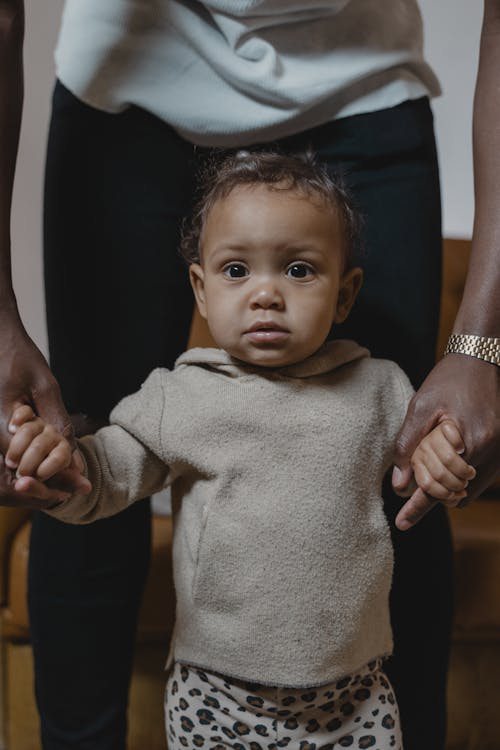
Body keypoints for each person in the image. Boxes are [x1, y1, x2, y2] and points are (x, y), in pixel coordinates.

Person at [1, 2, 499, 749]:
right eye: (236, 272)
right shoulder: (174, 404)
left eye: (297, 272)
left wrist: (481, 347)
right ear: (201, 286)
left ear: (346, 289)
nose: (266, 293)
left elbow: (435, 453)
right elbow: (97, 476)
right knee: (89, 515)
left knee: (410, 501)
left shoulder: (384, 390)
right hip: (125, 97)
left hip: (362, 85)